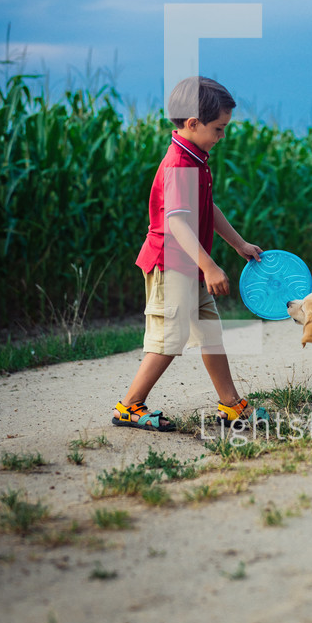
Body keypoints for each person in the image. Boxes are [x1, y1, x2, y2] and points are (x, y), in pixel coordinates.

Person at [112, 76, 263, 432]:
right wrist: (209, 266)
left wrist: (238, 244)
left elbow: (206, 207)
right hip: (171, 264)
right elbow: (177, 222)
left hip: (189, 267)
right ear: (192, 124)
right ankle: (129, 406)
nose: (222, 136)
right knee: (169, 339)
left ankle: (231, 405)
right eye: (218, 128)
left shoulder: (197, 156)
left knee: (210, 334)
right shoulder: (180, 163)